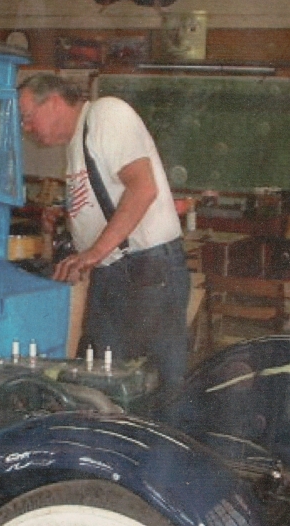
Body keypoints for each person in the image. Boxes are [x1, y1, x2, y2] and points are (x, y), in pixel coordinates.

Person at [17, 73, 189, 395]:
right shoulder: (77, 142)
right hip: (117, 273)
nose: (26, 129)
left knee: (148, 388)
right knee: (100, 382)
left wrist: (94, 252)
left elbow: (142, 188)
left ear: (53, 102)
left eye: (27, 117)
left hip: (146, 272)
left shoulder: (107, 114)